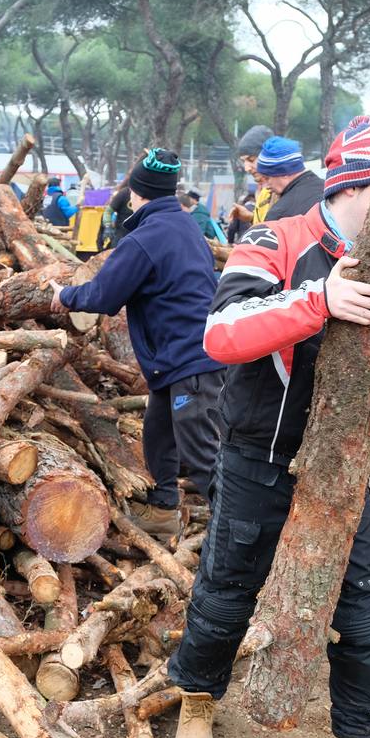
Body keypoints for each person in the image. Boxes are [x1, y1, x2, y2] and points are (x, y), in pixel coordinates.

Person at [166, 116, 370, 738]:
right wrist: (321, 300)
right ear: (367, 186)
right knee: (227, 588)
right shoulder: (275, 238)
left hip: (343, 465)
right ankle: (197, 700)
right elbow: (222, 334)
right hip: (259, 453)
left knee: (366, 617)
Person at [50, 149, 225, 538]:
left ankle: (239, 533)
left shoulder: (146, 238)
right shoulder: (183, 225)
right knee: (158, 433)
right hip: (178, 357)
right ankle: (164, 513)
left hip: (191, 357)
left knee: (201, 452)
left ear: (136, 192)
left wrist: (65, 296)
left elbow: (103, 296)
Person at [256, 136, 325, 221]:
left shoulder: (280, 214)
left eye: (267, 178)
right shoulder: (329, 189)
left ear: (284, 172)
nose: (266, 186)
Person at [236, 124, 276, 223]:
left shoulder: (289, 192)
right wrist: (251, 218)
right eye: (244, 161)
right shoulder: (263, 194)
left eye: (251, 160)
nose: (247, 168)